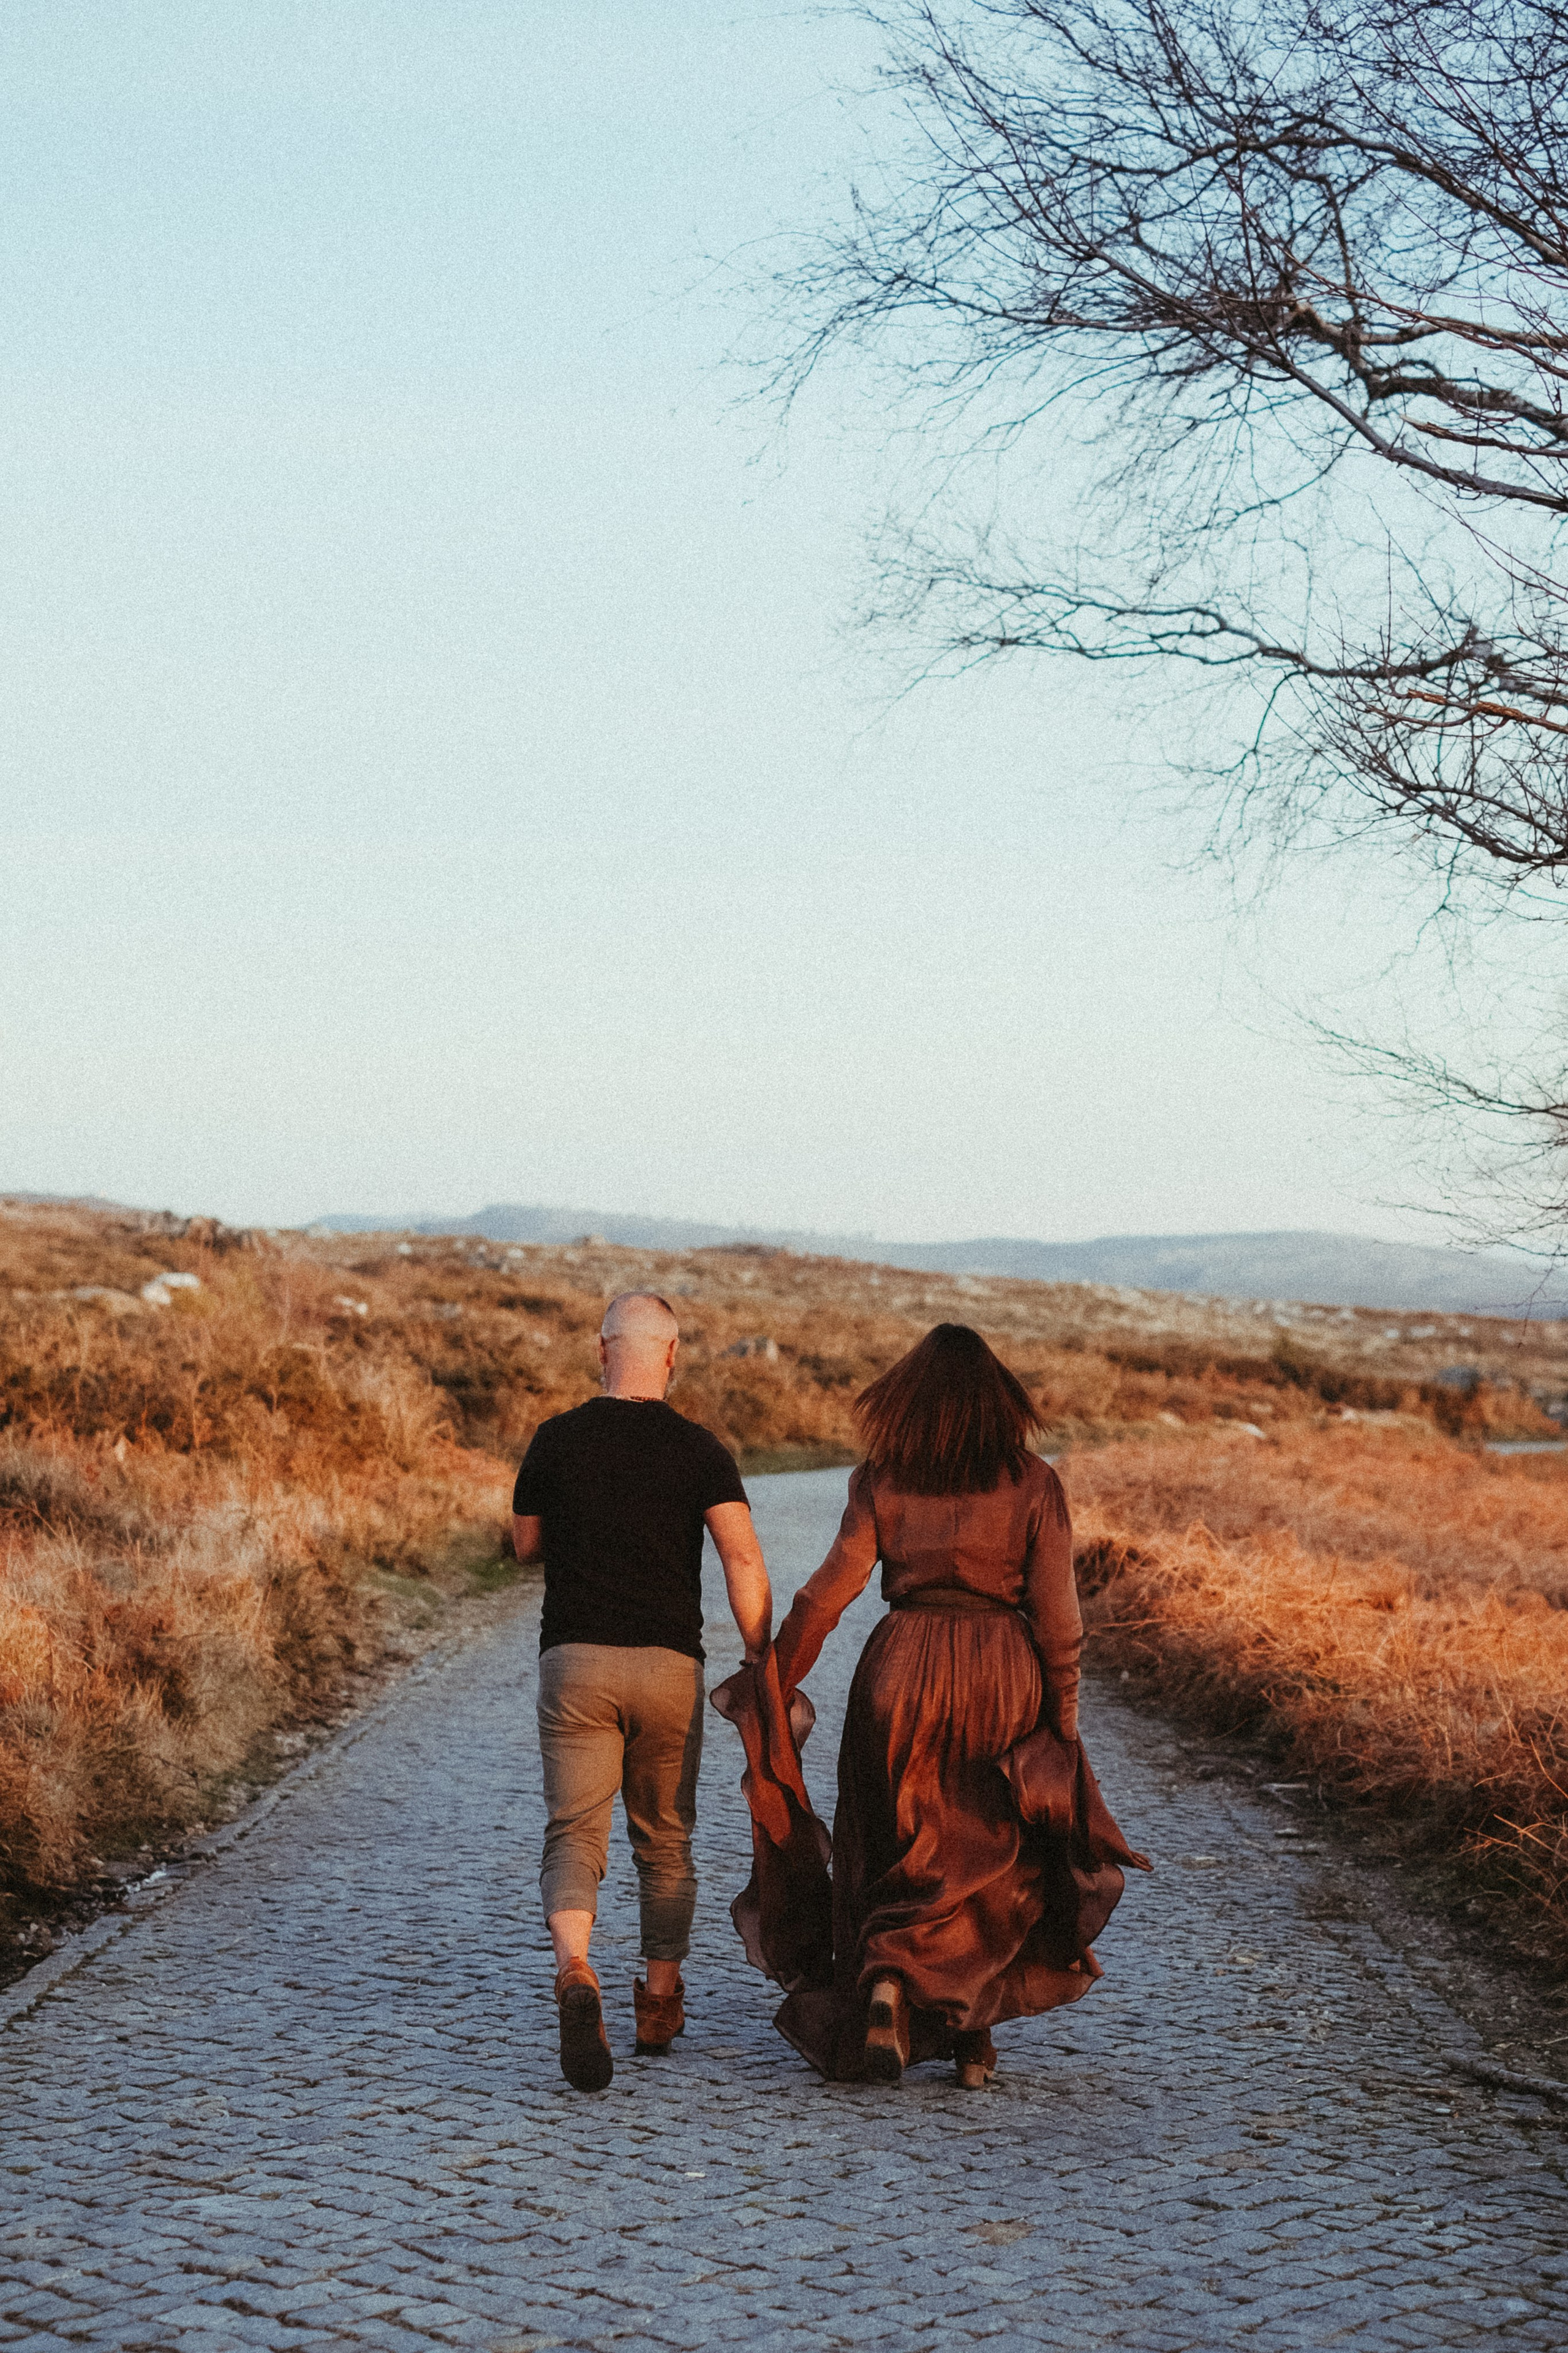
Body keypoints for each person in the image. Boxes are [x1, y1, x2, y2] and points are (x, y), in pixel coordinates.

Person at [717, 1321, 1145, 2087]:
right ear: (999, 1402)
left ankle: (886, 1981)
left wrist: (773, 1679)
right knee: (991, 1861)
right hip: (1001, 1675)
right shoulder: (1033, 1483)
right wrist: (1063, 1724)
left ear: (906, 1400)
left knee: (896, 1843)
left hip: (900, 1669)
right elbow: (1059, 1621)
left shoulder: (881, 1481)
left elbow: (826, 1596)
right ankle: (972, 2043)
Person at [511, 1291, 772, 2092]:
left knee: (574, 1831)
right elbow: (741, 1559)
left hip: (576, 1662)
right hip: (669, 1669)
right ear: (672, 1354)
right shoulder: (700, 1449)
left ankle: (576, 1968)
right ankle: (659, 2004)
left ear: (602, 1350)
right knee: (665, 1838)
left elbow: (524, 1545)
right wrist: (760, 1654)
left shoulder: (555, 1438)